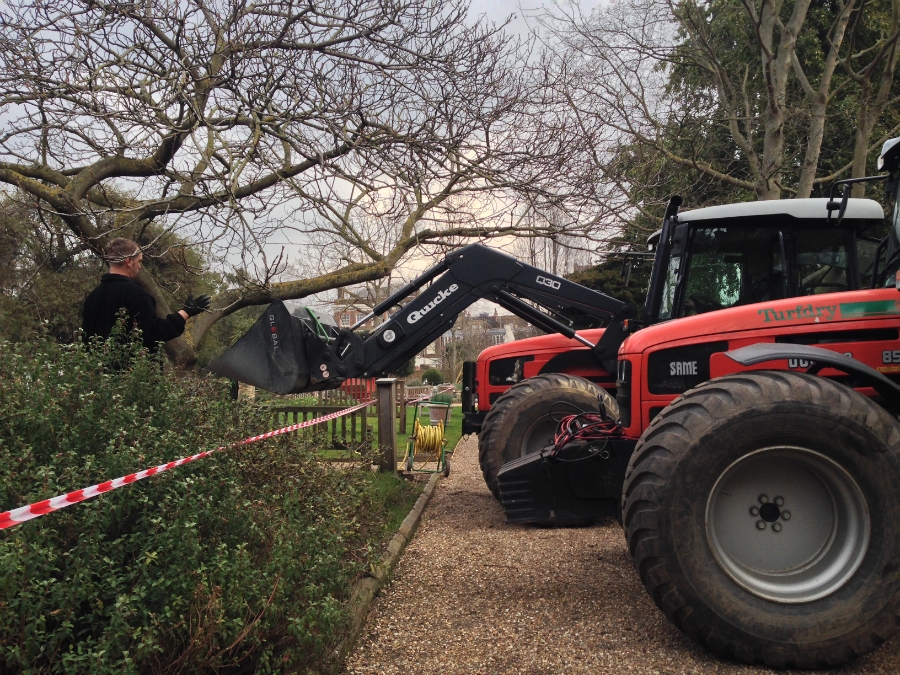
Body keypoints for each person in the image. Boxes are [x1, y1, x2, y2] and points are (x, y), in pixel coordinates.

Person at [82, 238, 210, 353]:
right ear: (129, 261)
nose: (140, 266)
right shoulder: (136, 295)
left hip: (97, 373)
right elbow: (152, 333)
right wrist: (185, 313)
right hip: (131, 373)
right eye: (139, 261)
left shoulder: (93, 296)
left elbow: (86, 339)